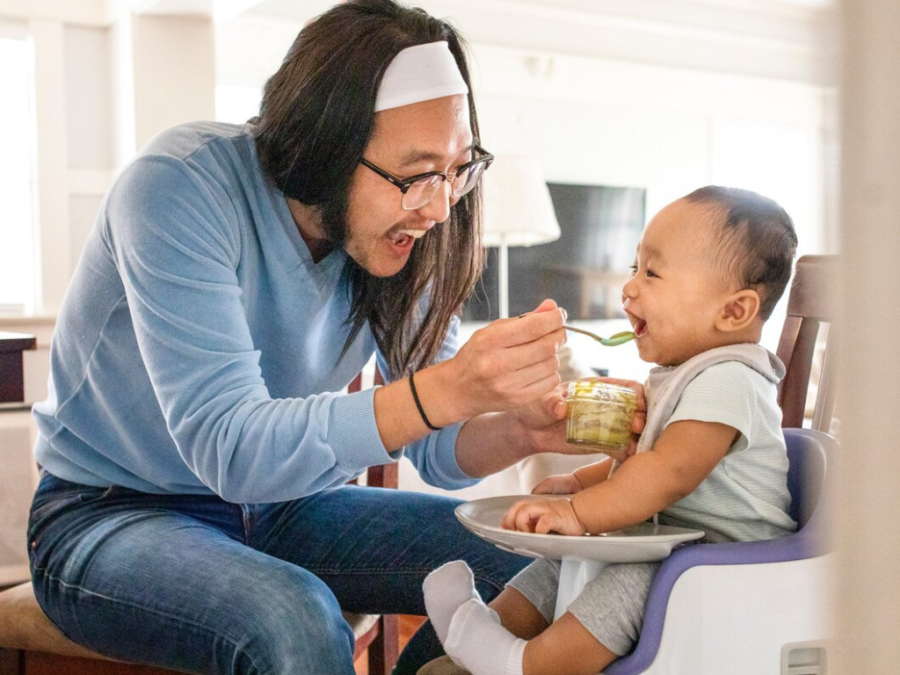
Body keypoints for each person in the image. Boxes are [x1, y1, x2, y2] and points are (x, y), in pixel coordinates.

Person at [25, 1, 589, 673]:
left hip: (279, 505)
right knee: (294, 618)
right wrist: (447, 387)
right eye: (416, 174)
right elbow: (231, 450)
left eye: (458, 169)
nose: (440, 208)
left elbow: (437, 450)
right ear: (326, 146)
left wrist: (522, 429)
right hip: (106, 513)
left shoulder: (408, 233)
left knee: (532, 566)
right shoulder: (179, 186)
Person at [421, 186, 800, 675]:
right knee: (563, 563)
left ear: (733, 311)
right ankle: (483, 629)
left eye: (652, 273)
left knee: (625, 586)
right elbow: (642, 462)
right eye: (634, 268)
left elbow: (668, 473)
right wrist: (579, 484)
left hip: (724, 564)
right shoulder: (680, 374)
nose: (629, 288)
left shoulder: (729, 378)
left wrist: (576, 512)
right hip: (678, 546)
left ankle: (521, 664)